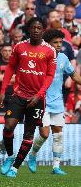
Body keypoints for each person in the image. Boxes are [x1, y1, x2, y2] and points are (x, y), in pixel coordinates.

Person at [0, 17, 57, 178]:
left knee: (28, 134)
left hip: (36, 99)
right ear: (29, 29)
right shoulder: (19, 46)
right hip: (18, 95)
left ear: (43, 30)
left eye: (39, 28)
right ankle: (10, 157)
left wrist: (39, 95)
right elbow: (10, 67)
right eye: (33, 27)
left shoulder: (50, 50)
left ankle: (15, 168)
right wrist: (3, 90)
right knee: (8, 127)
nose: (36, 30)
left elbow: (50, 75)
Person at [27, 29, 81, 175]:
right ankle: (32, 155)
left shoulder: (63, 58)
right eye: (55, 42)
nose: (58, 45)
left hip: (57, 102)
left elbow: (74, 75)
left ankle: (56, 167)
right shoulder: (40, 57)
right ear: (47, 43)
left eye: (60, 42)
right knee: (44, 134)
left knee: (58, 135)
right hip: (42, 102)